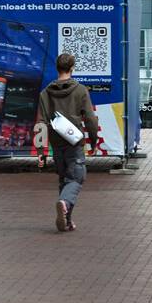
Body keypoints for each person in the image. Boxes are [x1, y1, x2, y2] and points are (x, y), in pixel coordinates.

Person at [38, 52, 100, 233]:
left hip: (56, 142)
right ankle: (64, 204)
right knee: (76, 177)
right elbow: (90, 118)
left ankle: (66, 220)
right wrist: (94, 141)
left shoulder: (45, 93)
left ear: (57, 68)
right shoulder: (80, 90)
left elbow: (40, 123)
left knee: (64, 179)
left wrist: (42, 151)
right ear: (72, 68)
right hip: (74, 142)